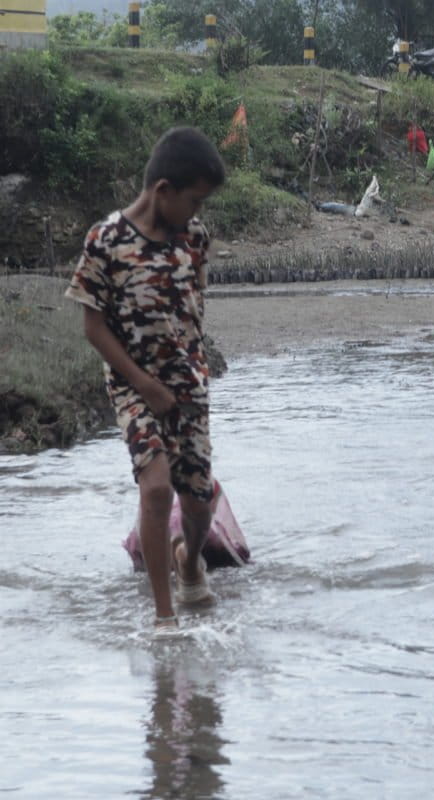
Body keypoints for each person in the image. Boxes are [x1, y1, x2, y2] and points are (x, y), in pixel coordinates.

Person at [65, 127, 226, 637]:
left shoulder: (194, 239)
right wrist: (144, 383)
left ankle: (189, 560)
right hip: (133, 388)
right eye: (194, 201)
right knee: (156, 490)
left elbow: (192, 310)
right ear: (162, 192)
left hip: (188, 388)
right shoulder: (106, 241)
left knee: (199, 503)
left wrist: (189, 374)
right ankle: (164, 617)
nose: (196, 214)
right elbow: (93, 327)